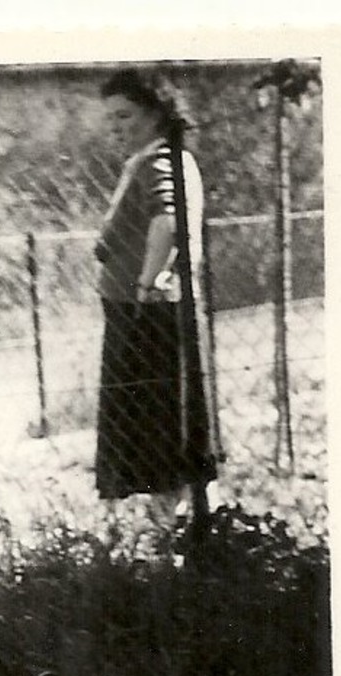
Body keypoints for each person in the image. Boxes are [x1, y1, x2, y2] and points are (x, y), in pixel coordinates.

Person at [92, 67, 220, 527]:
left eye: (125, 116)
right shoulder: (152, 160)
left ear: (156, 113)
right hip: (138, 310)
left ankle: (175, 527)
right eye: (110, 119)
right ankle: (170, 527)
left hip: (151, 314)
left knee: (159, 426)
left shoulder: (162, 161)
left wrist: (148, 282)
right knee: (149, 425)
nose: (116, 128)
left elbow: (168, 221)